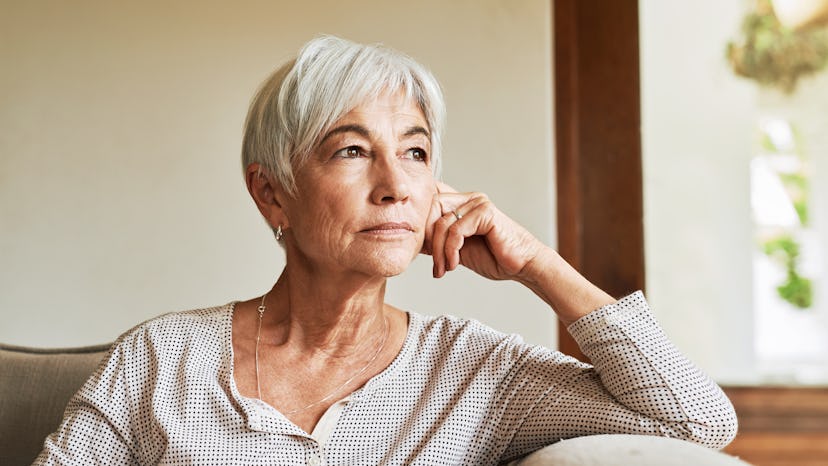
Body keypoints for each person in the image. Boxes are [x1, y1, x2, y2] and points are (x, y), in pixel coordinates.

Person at [34, 35, 737, 465]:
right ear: (272, 194)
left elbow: (695, 420)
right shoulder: (161, 360)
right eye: (351, 150)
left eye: (416, 151)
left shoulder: (473, 372)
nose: (396, 184)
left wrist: (536, 264)